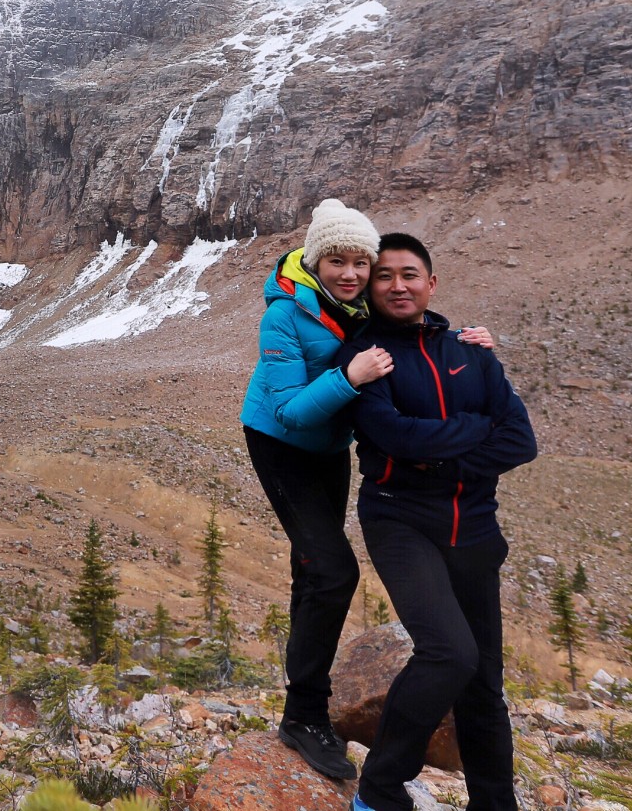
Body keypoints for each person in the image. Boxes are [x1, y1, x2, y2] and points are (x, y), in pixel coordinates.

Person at [239, 201, 493, 779]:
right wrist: (348, 378)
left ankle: (299, 710)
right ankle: (304, 716)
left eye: (360, 261)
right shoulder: (283, 314)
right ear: (314, 258)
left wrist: (464, 341)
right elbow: (289, 411)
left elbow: (413, 329)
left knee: (313, 570)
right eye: (336, 260)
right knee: (333, 571)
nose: (350, 273)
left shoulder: (358, 306)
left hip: (328, 450)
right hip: (280, 443)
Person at [346, 233, 537, 811]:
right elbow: (392, 436)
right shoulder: (363, 356)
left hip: (475, 529)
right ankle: (379, 791)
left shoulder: (472, 350)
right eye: (384, 276)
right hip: (401, 521)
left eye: (409, 274)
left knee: (484, 686)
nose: (397, 285)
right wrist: (477, 430)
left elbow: (521, 440)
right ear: (371, 289)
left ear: (432, 283)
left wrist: (436, 459)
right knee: (450, 653)